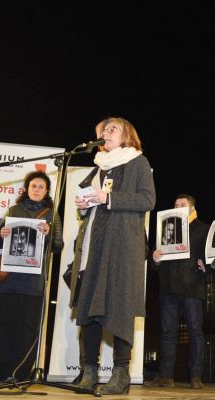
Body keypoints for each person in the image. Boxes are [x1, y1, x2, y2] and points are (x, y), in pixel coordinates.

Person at [71, 117, 155, 394]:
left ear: (126, 135)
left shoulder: (137, 162)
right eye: (102, 131)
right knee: (90, 309)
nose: (105, 134)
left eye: (111, 130)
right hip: (95, 246)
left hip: (123, 247)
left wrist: (109, 198)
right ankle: (89, 371)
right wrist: (83, 203)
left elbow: (147, 200)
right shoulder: (97, 168)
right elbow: (87, 199)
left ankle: (121, 373)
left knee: (120, 305)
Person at [0, 170, 63, 383]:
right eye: (34, 186)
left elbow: (58, 247)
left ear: (47, 191)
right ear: (27, 189)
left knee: (28, 329)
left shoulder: (52, 214)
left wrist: (49, 233)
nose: (37, 190)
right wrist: (1, 234)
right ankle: (3, 373)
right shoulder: (13, 209)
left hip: (33, 281)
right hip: (9, 279)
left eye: (41, 187)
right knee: (7, 327)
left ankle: (21, 375)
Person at [144, 194, 209, 389]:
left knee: (196, 332)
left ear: (192, 207)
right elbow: (155, 262)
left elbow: (212, 257)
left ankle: (196, 376)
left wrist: (207, 266)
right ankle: (166, 376)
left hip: (192, 287)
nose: (178, 206)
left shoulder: (203, 229)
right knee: (167, 333)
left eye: (182, 204)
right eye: (176, 204)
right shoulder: (166, 228)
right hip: (168, 287)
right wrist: (154, 258)